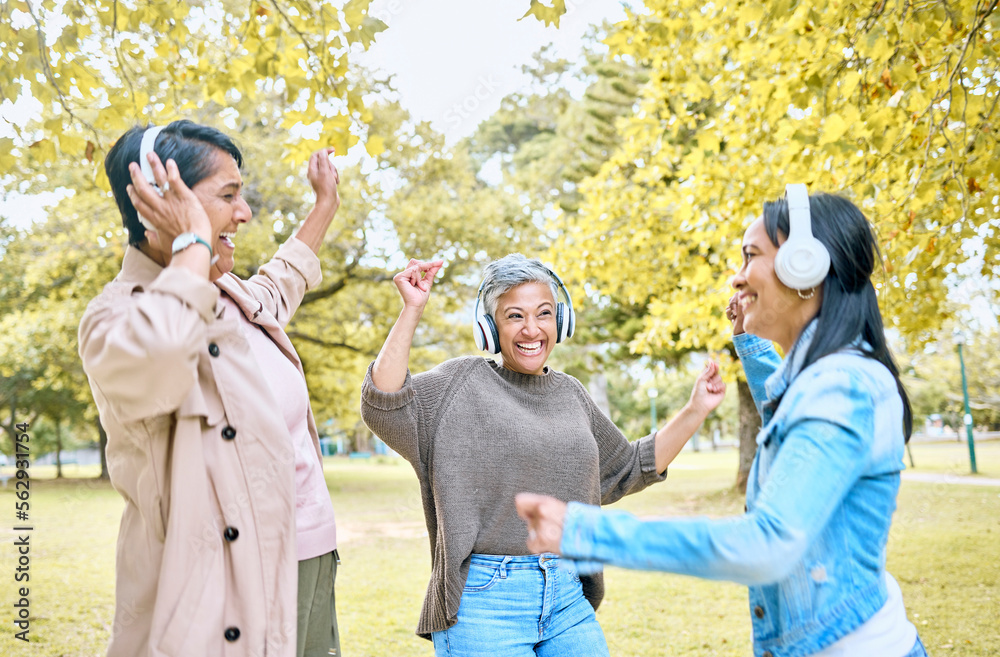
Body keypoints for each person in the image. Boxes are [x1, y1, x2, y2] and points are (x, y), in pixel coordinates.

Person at [516, 190, 928, 657]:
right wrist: (751, 348)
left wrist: (584, 532)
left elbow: (767, 545)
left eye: (751, 256)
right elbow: (794, 429)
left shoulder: (843, 386)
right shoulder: (829, 380)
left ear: (805, 266)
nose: (737, 276)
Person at [359, 253, 725, 656]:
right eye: (515, 316)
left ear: (560, 322)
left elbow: (627, 468)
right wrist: (413, 309)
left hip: (567, 594)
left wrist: (695, 410)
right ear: (490, 329)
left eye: (544, 313)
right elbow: (384, 405)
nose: (531, 329)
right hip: (485, 603)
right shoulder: (458, 384)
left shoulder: (571, 394)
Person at [79, 120, 343, 657]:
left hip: (310, 552)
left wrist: (324, 206)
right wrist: (193, 243)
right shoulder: (117, 316)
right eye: (228, 195)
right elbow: (163, 353)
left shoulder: (231, 293)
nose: (244, 213)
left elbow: (282, 280)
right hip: (218, 590)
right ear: (161, 198)